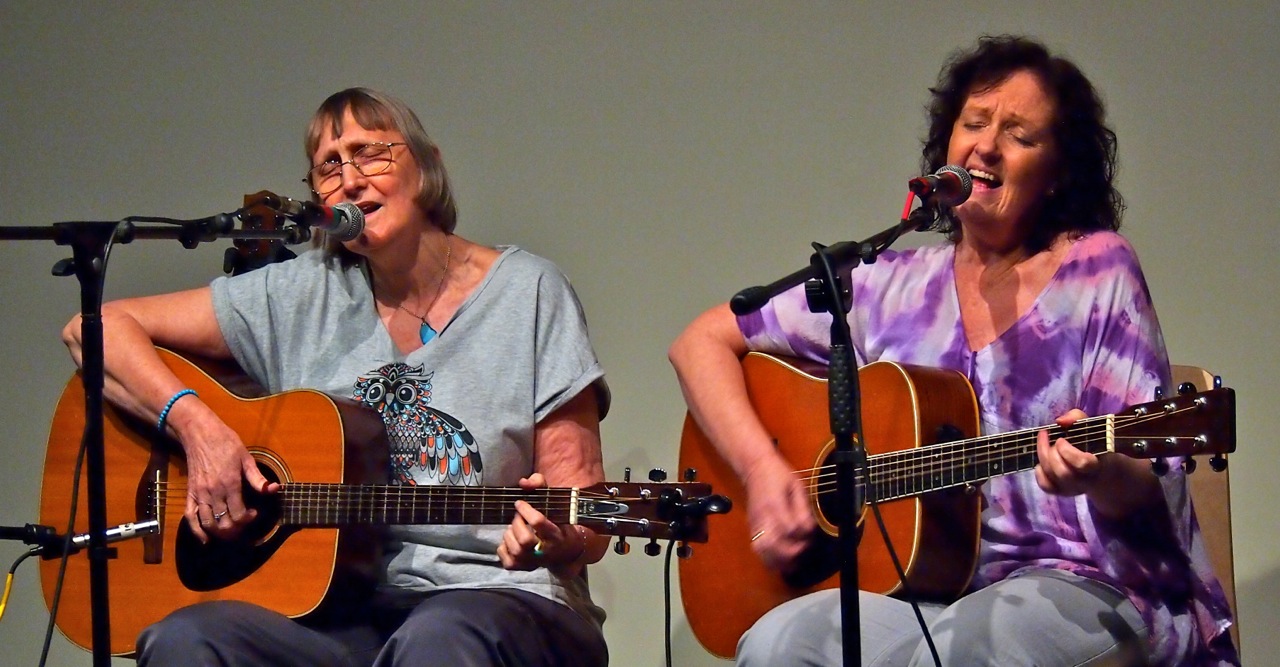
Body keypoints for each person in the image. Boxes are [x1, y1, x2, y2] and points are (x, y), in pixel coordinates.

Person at [668, 36, 1238, 666]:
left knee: (961, 653)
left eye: (1020, 135)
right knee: (779, 645)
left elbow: (1145, 486)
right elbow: (701, 341)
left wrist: (1098, 472)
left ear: (1058, 174)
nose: (987, 146)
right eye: (974, 123)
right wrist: (762, 470)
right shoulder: (891, 284)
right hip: (932, 589)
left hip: (1090, 581)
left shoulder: (1097, 272)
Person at [62, 87, 611, 666]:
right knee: (185, 639)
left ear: (426, 166)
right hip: (339, 613)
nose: (349, 180)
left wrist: (554, 536)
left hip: (499, 599)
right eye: (329, 166)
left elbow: (585, 513)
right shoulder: (300, 293)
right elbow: (94, 329)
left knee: (437, 638)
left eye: (370, 154)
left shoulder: (529, 292)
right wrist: (199, 430)